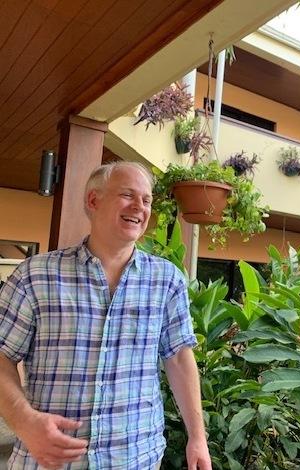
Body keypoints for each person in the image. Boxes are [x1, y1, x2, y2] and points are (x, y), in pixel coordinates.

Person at [0, 162, 212, 469]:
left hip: (137, 459)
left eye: (147, 200)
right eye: (128, 194)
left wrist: (198, 437)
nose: (140, 206)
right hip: (49, 462)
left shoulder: (167, 279)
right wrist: (24, 421)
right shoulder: (36, 275)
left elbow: (179, 357)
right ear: (93, 201)